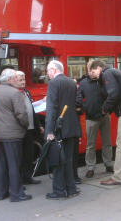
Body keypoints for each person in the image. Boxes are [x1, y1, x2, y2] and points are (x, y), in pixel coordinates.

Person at [0, 68, 32, 202]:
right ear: (9, 79)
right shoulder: (14, 93)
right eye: (13, 77)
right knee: (14, 164)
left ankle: (2, 192)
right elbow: (22, 114)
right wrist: (25, 126)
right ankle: (17, 194)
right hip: (13, 134)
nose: (15, 79)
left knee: (1, 165)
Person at [45, 60, 82, 199]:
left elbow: (52, 109)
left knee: (58, 160)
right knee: (68, 159)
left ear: (54, 70)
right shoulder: (71, 82)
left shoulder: (53, 83)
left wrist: (49, 131)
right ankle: (71, 189)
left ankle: (59, 191)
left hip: (59, 128)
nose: (47, 74)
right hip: (71, 126)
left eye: (48, 71)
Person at [76, 61, 113, 178]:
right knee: (90, 144)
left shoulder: (103, 81)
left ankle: (108, 164)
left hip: (104, 116)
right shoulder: (83, 83)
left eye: (94, 71)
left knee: (107, 142)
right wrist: (84, 108)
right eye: (90, 71)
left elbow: (110, 95)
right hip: (91, 118)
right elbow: (79, 98)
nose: (92, 73)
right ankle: (90, 167)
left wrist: (108, 109)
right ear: (88, 70)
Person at [14, 71, 44, 185]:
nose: (23, 82)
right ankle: (19, 181)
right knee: (19, 156)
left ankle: (27, 177)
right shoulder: (14, 93)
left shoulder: (26, 92)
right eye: (20, 80)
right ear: (14, 80)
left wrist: (39, 125)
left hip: (30, 129)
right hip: (20, 129)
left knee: (29, 154)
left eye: (24, 79)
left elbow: (32, 109)